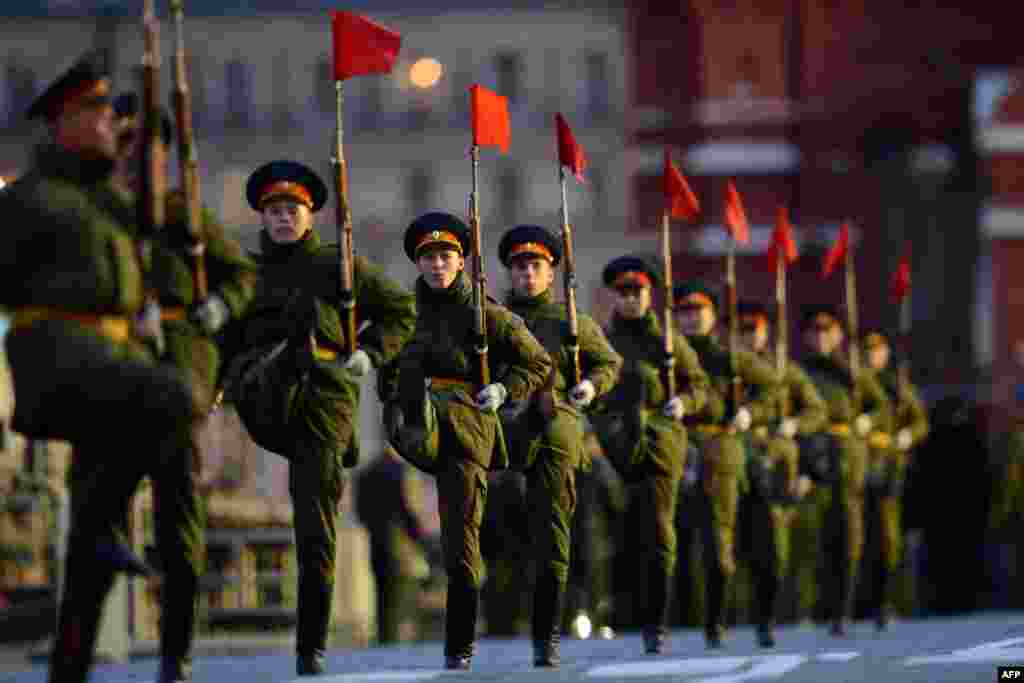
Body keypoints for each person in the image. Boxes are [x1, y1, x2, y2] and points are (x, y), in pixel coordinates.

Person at [0, 49, 208, 683]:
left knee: (91, 531)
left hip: (108, 367)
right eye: (97, 115)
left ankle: (72, 663)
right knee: (177, 396)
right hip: (58, 357)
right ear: (65, 121)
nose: (107, 128)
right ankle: (102, 531)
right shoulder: (34, 198)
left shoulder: (106, 202)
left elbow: (161, 238)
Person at [219, 160, 416, 675]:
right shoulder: (245, 273)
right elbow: (228, 338)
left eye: (294, 210)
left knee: (316, 521)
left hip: (323, 397)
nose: (284, 219)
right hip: (262, 398)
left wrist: (370, 352)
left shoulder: (338, 265)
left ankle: (311, 645)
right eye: (275, 211)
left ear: (311, 216)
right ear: (263, 217)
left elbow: (400, 311)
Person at [110, 92, 258, 682]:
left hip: (179, 372)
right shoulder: (102, 212)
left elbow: (241, 276)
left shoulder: (187, 214)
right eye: (126, 146)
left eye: (149, 148)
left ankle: (176, 648)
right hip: (118, 366)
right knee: (100, 492)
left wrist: (220, 306)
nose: (136, 159)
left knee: (181, 518)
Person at [381, 211, 551, 670]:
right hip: (414, 434)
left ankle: (459, 646)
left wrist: (502, 389)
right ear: (418, 264)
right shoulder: (407, 316)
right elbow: (387, 367)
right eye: (429, 257)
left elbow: (537, 364)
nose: (437, 265)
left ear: (460, 262)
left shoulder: (485, 313)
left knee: (461, 538)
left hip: (463, 432)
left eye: (446, 256)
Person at [495, 224, 623, 666]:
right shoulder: (493, 319)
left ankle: (547, 632)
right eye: (519, 267)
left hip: (554, 429)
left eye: (536, 266)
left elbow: (608, 362)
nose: (527, 275)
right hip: (504, 434)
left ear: (551, 273)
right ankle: (496, 625)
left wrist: (589, 385)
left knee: (554, 536)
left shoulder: (571, 321)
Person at [592, 256, 710, 655]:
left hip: (659, 444)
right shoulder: (602, 339)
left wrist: (684, 402)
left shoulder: (670, 341)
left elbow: (700, 386)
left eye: (637, 291)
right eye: (623, 292)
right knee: (621, 535)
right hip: (616, 446)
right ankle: (622, 615)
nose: (630, 299)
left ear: (650, 294)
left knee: (659, 531)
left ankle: (656, 622)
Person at [671, 281, 780, 649]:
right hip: (676, 448)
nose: (691, 317)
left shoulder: (730, 354)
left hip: (722, 450)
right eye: (684, 311)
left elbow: (773, 389)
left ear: (713, 315)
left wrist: (750, 411)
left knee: (723, 545)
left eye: (698, 310)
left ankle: (720, 620)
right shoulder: (669, 351)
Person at [735, 300, 827, 646]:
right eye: (741, 329)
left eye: (753, 328)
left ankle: (766, 618)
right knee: (729, 548)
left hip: (774, 464)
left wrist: (793, 424)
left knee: (772, 549)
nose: (748, 335)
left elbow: (816, 410)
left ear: (765, 330)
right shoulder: (726, 367)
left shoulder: (784, 369)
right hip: (735, 463)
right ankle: (727, 620)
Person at [797, 304, 891, 635]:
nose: (822, 338)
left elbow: (881, 406)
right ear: (807, 337)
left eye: (828, 331)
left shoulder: (851, 370)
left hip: (848, 457)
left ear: (838, 335)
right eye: (815, 332)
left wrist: (866, 419)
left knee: (849, 536)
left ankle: (843, 609)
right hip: (812, 454)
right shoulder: (800, 371)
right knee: (814, 538)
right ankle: (809, 609)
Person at [859, 329, 929, 629]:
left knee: (887, 539)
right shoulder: (854, 381)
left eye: (877, 350)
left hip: (888, 465)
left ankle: (886, 602)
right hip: (858, 464)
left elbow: (920, 422)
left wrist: (907, 435)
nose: (871, 355)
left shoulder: (896, 384)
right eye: (867, 350)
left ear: (885, 352)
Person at [355, 445, 441, 645]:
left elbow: (360, 512)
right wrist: (423, 542)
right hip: (402, 550)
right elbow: (408, 512)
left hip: (376, 545)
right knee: (402, 605)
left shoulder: (366, 473)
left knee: (382, 602)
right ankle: (396, 650)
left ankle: (384, 642)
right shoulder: (402, 472)